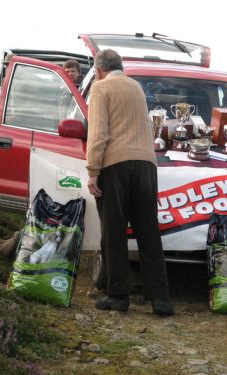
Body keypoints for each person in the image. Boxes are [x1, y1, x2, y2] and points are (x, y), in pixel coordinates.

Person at [86, 49, 174, 316]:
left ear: (99, 70)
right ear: (120, 66)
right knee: (148, 232)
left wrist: (93, 170)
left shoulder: (101, 89)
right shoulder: (136, 87)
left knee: (113, 232)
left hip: (116, 164)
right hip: (146, 165)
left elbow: (98, 132)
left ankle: (118, 295)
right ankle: (160, 299)